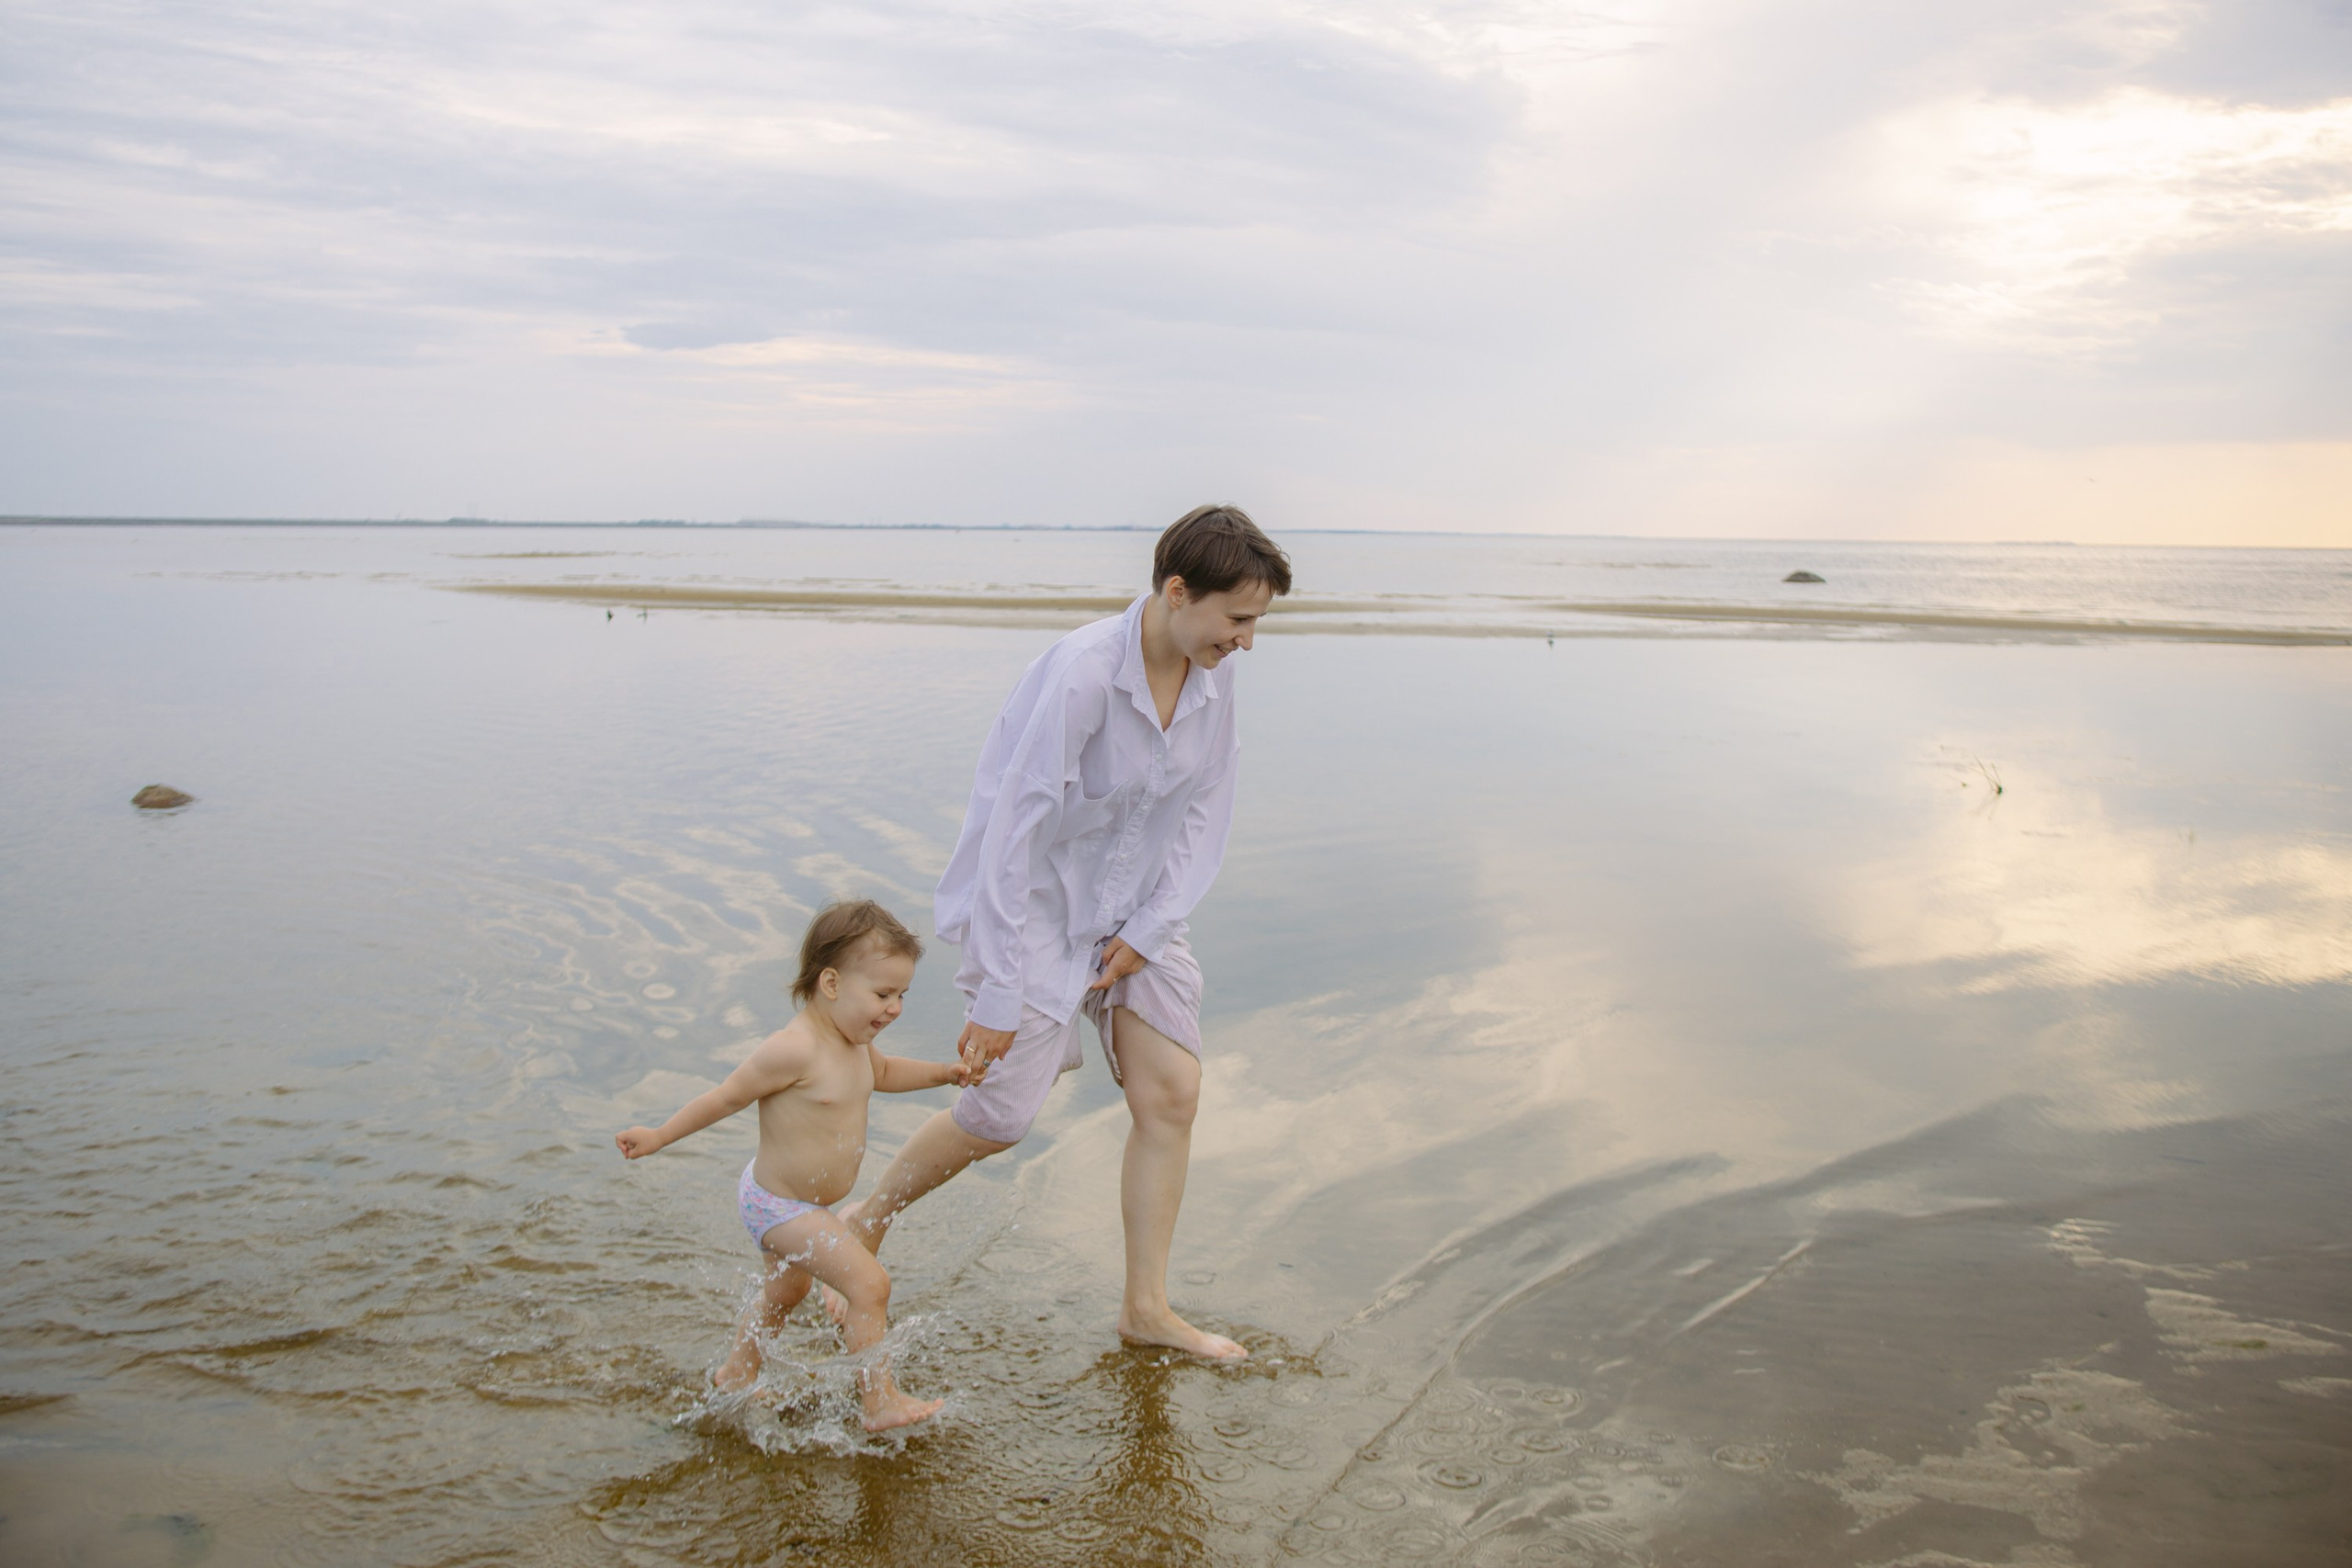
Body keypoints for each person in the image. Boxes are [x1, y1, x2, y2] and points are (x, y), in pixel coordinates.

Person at [831, 503, 1293, 1362]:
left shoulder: (1215, 677)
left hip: (1138, 908)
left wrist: (1151, 928)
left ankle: (1146, 1309)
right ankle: (863, 1221)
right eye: (1238, 619)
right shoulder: (1083, 673)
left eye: (1257, 622)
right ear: (1177, 590)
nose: (1248, 642)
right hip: (1035, 907)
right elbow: (1014, 833)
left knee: (1173, 1094)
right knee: (999, 1116)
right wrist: (1001, 989)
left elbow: (1206, 813)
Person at [615, 899, 969, 1432]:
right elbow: (724, 1098)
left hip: (801, 1203)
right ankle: (879, 1401)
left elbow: (889, 1073)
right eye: (881, 994)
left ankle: (737, 1371)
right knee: (870, 1286)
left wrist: (945, 1072)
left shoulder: (856, 1043)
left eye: (901, 995)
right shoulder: (793, 1049)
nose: (894, 1008)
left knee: (787, 1292)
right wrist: (660, 1135)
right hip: (777, 1205)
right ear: (830, 983)